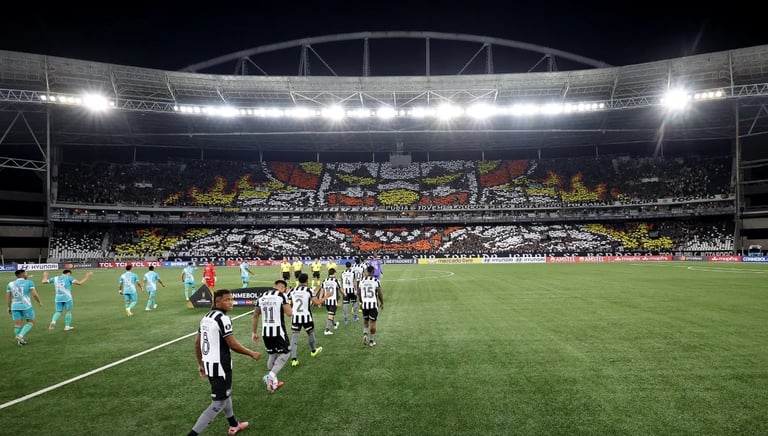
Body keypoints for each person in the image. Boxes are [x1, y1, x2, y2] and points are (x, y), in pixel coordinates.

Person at [188, 289, 261, 436]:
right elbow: (232, 345)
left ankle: (234, 425)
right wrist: (251, 353)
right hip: (221, 367)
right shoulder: (222, 318)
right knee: (218, 403)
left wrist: (201, 364)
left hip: (210, 365)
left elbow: (197, 343)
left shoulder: (206, 317)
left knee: (225, 395)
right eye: (227, 299)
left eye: (231, 299)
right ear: (217, 302)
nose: (231, 302)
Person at [252, 279, 293, 392]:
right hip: (278, 331)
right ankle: (271, 375)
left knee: (272, 354)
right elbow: (289, 313)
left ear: (274, 286)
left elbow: (255, 315)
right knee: (286, 353)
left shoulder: (262, 296)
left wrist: (254, 332)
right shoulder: (282, 296)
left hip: (266, 332)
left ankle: (273, 382)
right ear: (283, 288)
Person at [286, 273, 328, 367]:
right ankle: (313, 351)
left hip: (295, 316)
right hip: (306, 317)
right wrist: (326, 296)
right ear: (306, 281)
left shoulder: (292, 290)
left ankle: (294, 359)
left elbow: (290, 302)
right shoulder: (309, 290)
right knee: (310, 333)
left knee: (295, 337)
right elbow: (316, 302)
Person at [6, 269, 42, 345]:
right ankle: (20, 335)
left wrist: (9, 307)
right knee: (31, 321)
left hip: (14, 306)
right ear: (22, 274)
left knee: (17, 324)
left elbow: (8, 298)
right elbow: (34, 294)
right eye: (26, 273)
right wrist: (39, 302)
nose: (27, 274)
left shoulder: (10, 284)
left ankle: (20, 341)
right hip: (26, 306)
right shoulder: (29, 282)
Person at [357, 266, 384, 347]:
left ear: (366, 272)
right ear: (373, 272)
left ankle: (365, 334)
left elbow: (359, 292)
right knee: (373, 323)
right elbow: (379, 293)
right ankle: (371, 341)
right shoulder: (376, 281)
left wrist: (361, 302)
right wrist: (382, 303)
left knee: (366, 320)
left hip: (365, 305)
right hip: (372, 305)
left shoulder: (362, 281)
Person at [320, 268, 341, 335]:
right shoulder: (336, 281)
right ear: (334, 273)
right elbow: (340, 289)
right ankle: (327, 330)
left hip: (327, 301)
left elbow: (322, 291)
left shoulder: (324, 281)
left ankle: (334, 324)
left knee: (331, 314)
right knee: (331, 315)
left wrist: (320, 300)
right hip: (333, 301)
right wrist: (344, 294)